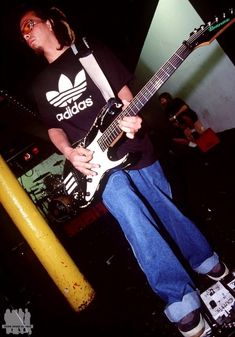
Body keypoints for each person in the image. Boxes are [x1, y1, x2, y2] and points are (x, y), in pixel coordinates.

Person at [17, 4, 229, 337]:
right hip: (94, 168)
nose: (26, 33)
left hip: (133, 148)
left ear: (48, 22)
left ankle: (203, 258)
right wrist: (69, 152)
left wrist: (132, 117)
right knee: (135, 222)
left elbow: (124, 93)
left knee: (166, 208)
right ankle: (180, 300)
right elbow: (53, 128)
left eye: (30, 24)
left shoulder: (89, 50)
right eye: (22, 32)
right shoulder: (39, 84)